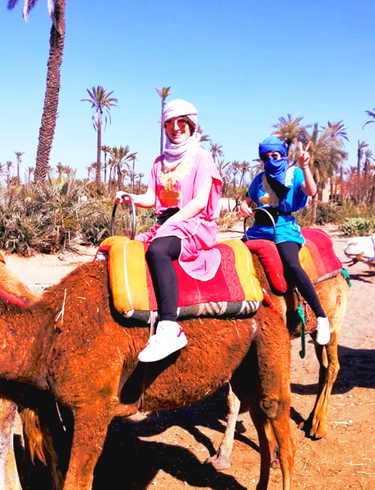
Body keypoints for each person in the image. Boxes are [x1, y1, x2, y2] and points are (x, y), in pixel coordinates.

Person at [114, 99, 222, 363]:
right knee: (127, 249)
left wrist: (171, 226)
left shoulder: (202, 157)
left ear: (191, 124)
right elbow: (153, 198)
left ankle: (170, 328)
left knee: (159, 249)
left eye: (180, 122)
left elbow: (199, 201)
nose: (175, 128)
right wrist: (130, 196)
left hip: (194, 222)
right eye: (170, 123)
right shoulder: (159, 162)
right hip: (166, 223)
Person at [238, 136, 331, 345]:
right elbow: (247, 198)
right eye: (267, 157)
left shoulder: (294, 174)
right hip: (258, 229)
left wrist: (305, 167)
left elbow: (311, 191)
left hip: (283, 229)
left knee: (291, 264)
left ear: (282, 155)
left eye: (275, 155)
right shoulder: (259, 178)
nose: (271, 159)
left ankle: (321, 317)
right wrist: (243, 205)